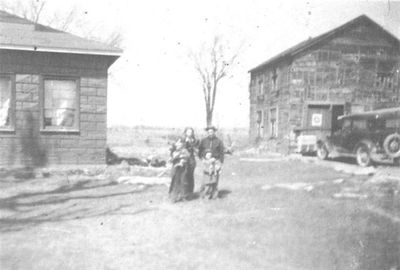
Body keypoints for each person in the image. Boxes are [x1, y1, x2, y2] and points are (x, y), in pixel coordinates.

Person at [198, 126, 224, 199]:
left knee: (215, 179)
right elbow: (200, 151)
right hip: (206, 162)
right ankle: (204, 194)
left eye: (212, 132)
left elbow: (221, 152)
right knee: (206, 179)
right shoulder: (203, 141)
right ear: (207, 132)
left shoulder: (219, 141)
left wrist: (220, 163)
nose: (210, 133)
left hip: (215, 161)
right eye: (209, 132)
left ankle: (214, 195)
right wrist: (202, 159)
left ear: (214, 132)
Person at [182, 127, 199, 194]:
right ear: (185, 132)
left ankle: (190, 192)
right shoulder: (182, 140)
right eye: (188, 132)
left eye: (191, 132)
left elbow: (197, 150)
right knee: (184, 175)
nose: (190, 133)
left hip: (191, 159)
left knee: (190, 175)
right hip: (184, 159)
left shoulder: (194, 140)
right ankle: (184, 192)